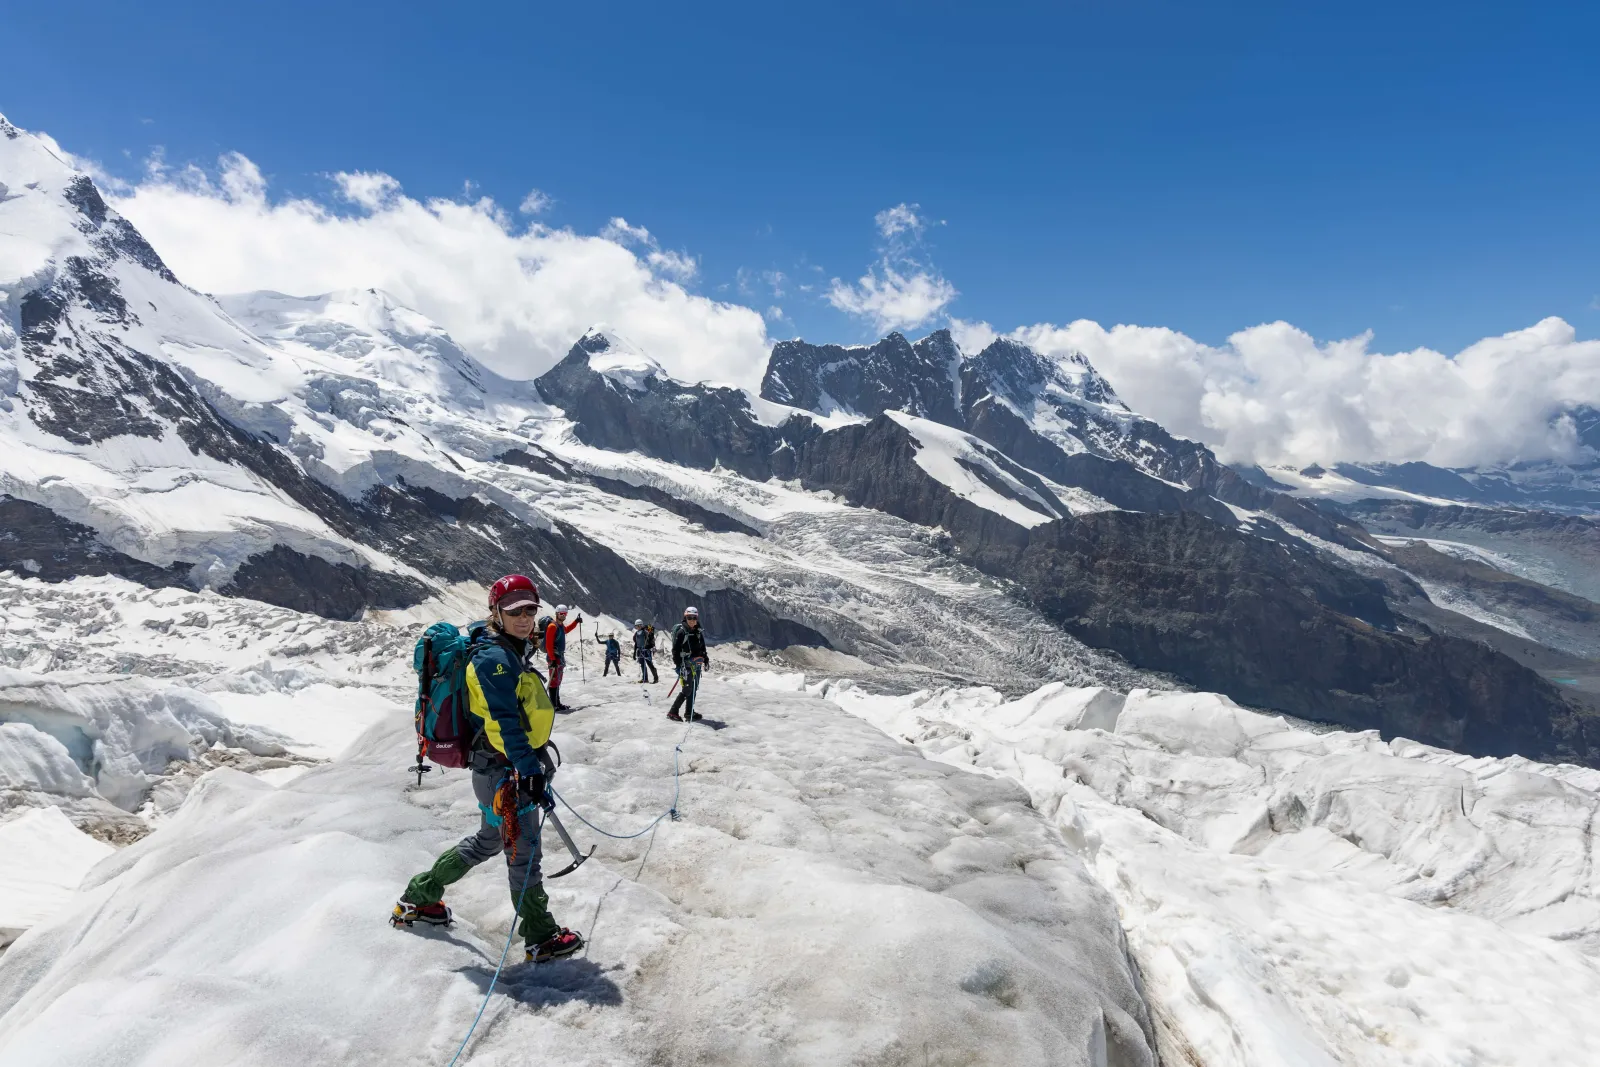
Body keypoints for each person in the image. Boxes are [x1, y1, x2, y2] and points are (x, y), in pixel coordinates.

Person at [391, 575, 584, 964]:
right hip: (505, 772)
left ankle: (419, 897)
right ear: (496, 612)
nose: (524, 617)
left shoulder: (504, 648)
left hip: (494, 769)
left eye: (530, 609)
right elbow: (504, 721)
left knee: (489, 841)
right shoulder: (494, 658)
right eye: (514, 611)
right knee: (523, 850)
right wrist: (528, 769)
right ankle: (540, 935)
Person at [668, 606, 710, 722]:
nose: (692, 620)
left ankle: (689, 712)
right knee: (687, 689)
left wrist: (705, 659)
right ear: (685, 618)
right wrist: (678, 666)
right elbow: (675, 651)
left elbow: (702, 647)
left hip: (696, 665)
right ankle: (673, 712)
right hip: (686, 665)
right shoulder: (682, 632)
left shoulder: (698, 631)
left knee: (694, 688)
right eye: (689, 618)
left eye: (694, 618)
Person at [541, 604, 582, 711]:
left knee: (557, 680)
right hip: (554, 657)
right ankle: (553, 705)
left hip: (559, 657)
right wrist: (552, 659)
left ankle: (557, 704)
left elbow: (566, 630)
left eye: (565, 614)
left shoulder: (560, 626)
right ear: (557, 614)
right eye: (561, 613)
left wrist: (576, 622)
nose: (563, 615)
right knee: (554, 680)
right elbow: (548, 645)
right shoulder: (552, 626)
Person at [632, 619, 659, 683]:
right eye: (636, 626)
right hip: (640, 651)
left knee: (650, 664)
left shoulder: (645, 632)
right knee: (642, 665)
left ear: (641, 625)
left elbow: (650, 638)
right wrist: (634, 653)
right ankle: (645, 678)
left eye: (639, 626)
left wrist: (650, 633)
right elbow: (636, 643)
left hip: (646, 651)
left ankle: (656, 678)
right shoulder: (636, 634)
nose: (638, 627)